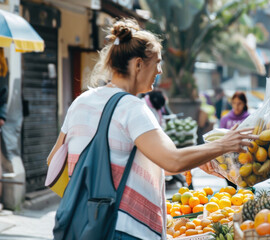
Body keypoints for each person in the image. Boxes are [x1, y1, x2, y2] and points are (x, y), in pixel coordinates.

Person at [47, 18, 256, 240]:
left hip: (84, 225)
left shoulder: (81, 101)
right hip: (124, 229)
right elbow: (173, 160)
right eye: (157, 62)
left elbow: (54, 160)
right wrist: (224, 144)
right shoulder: (132, 108)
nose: (159, 70)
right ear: (138, 65)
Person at [220, 91, 250, 187]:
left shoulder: (249, 118)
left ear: (244, 104)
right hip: (229, 160)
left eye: (239, 103)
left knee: (246, 186)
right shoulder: (225, 119)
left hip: (245, 158)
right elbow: (220, 138)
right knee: (231, 188)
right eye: (234, 103)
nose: (236, 106)